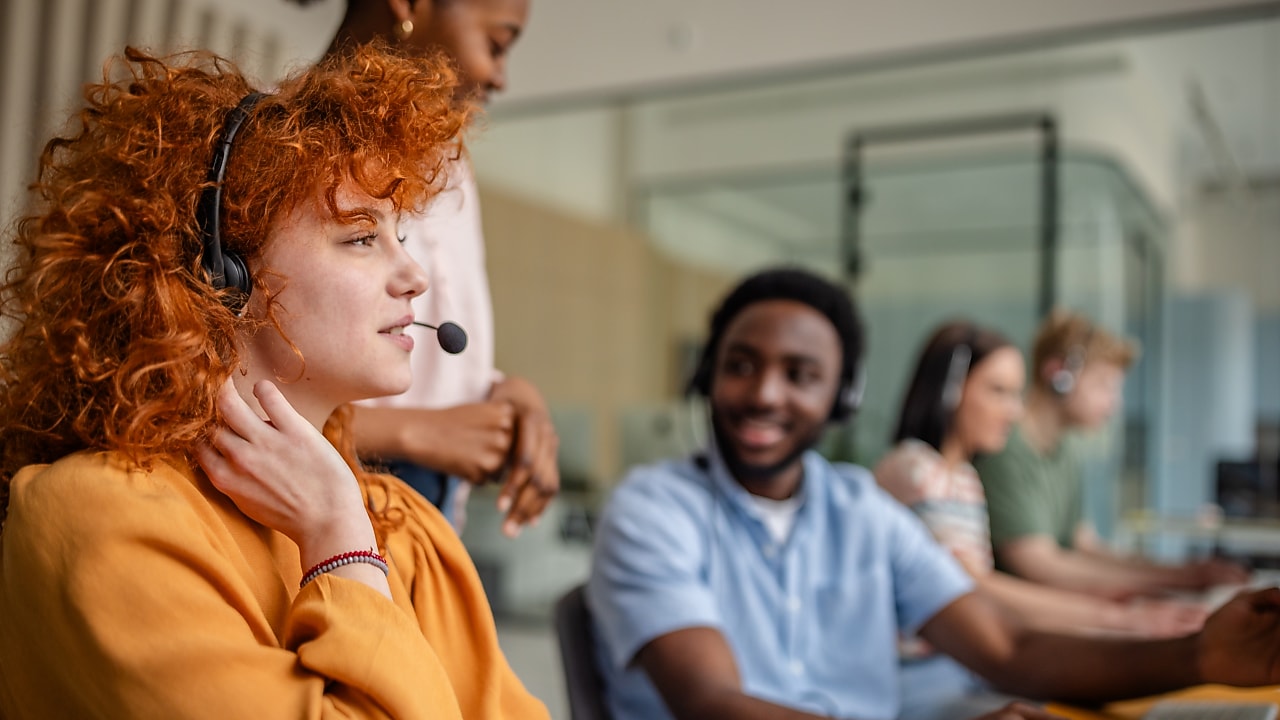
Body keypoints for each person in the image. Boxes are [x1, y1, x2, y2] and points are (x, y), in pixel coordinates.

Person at [0, 44, 548, 718]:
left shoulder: (402, 529)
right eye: (360, 237)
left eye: (400, 237)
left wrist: (343, 523)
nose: (414, 277)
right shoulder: (100, 519)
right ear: (222, 274)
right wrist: (339, 545)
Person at [586, 268, 1280, 720]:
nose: (765, 393)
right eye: (741, 365)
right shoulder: (653, 509)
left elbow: (1006, 646)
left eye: (800, 374)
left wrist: (1197, 656)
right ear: (708, 376)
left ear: (842, 397)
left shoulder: (861, 509)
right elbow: (710, 703)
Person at [285, 0, 558, 536]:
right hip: (335, 500)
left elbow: (429, 348)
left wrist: (505, 392)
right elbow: (230, 382)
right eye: (497, 45)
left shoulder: (451, 169)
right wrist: (415, 432)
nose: (500, 78)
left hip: (434, 513)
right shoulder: (277, 149)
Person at [876, 321, 1206, 641]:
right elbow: (969, 587)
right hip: (928, 665)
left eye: (1015, 394)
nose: (1014, 411)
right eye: (998, 391)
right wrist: (1119, 617)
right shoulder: (914, 469)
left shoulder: (964, 478)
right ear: (950, 392)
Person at [974, 310, 1249, 600]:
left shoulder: (1064, 451)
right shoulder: (1006, 447)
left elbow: (1084, 544)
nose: (1113, 404)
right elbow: (1040, 565)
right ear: (1058, 375)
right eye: (1103, 385)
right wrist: (1178, 579)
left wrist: (1179, 572)